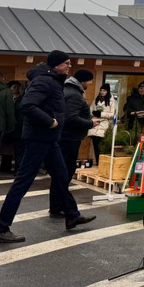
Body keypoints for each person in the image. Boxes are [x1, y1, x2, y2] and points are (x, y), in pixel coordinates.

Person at [0, 51, 96, 243]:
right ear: (56, 65)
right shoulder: (44, 80)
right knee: (22, 182)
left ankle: (72, 215)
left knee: (61, 176)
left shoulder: (53, 80)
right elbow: (28, 105)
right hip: (39, 138)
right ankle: (1, 229)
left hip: (49, 139)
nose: (69, 66)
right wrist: (50, 121)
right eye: (66, 63)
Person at [51, 70, 99, 216]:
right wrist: (90, 123)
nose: (90, 84)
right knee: (64, 173)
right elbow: (71, 118)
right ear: (83, 81)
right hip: (69, 138)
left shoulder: (67, 89)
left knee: (60, 173)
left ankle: (57, 206)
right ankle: (60, 207)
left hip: (64, 137)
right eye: (89, 81)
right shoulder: (75, 95)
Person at [88, 83, 117, 163]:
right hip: (94, 125)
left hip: (104, 126)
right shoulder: (96, 99)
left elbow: (112, 115)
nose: (102, 92)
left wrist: (101, 114)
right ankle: (98, 162)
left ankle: (101, 163)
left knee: (102, 147)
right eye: (101, 90)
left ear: (107, 91)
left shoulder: (111, 101)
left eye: (104, 90)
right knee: (95, 146)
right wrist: (93, 113)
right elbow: (90, 110)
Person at [4, 81, 24, 173]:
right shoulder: (7, 98)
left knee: (16, 148)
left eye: (18, 87)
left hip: (17, 126)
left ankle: (17, 168)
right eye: (14, 87)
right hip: (11, 126)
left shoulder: (20, 100)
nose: (17, 89)